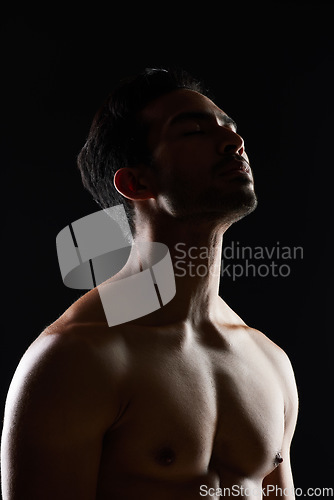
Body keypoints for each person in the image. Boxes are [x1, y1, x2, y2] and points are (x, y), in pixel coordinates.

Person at [1, 68, 298, 499]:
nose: (235, 143)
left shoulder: (270, 362)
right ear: (137, 182)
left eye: (233, 130)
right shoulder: (76, 360)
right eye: (194, 131)